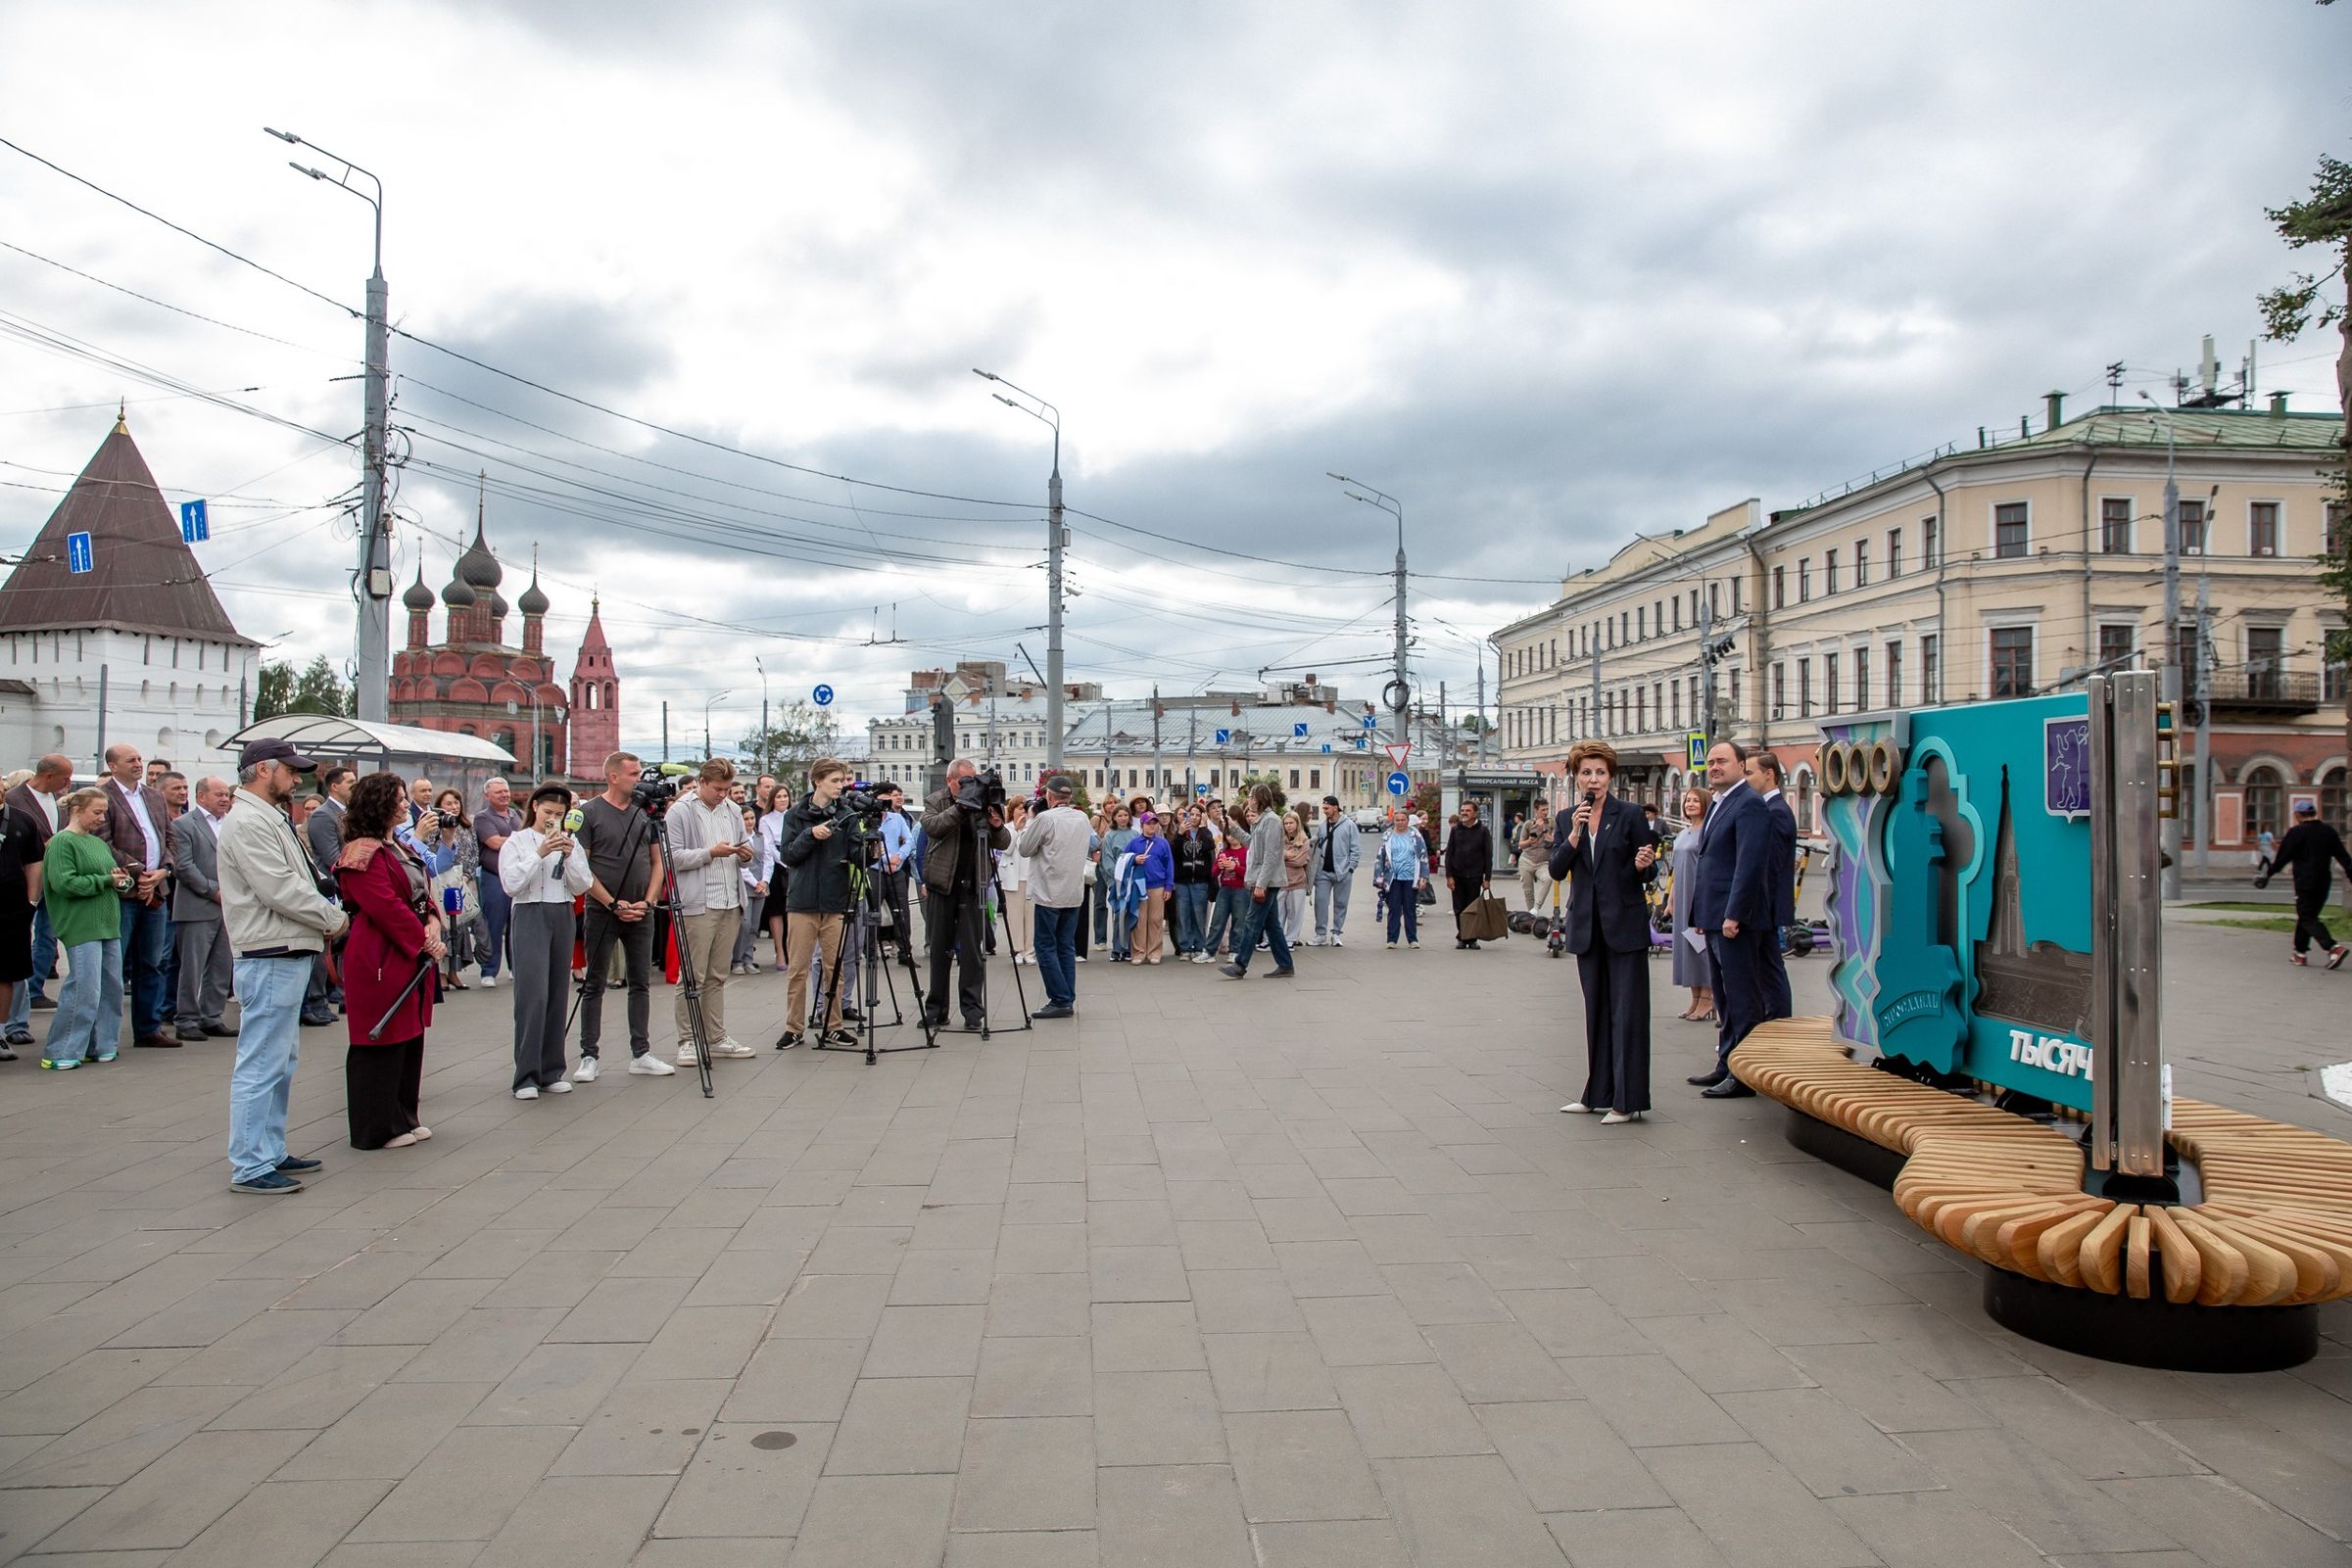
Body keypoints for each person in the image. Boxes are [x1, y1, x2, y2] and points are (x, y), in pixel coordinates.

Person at [216, 738, 347, 1193]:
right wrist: (335, 919)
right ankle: (251, 1163)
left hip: (284, 947)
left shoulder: (266, 817)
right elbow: (280, 889)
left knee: (280, 1059)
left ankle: (268, 1149)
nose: (297, 779)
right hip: (270, 949)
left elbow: (297, 881)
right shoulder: (249, 822)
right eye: (290, 771)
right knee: (262, 1062)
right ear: (262, 770)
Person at [1552, 741, 1662, 1124]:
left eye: (1600, 772)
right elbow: (1555, 868)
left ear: (1610, 777)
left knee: (1627, 1014)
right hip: (1587, 927)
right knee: (1595, 1012)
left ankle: (1627, 1101)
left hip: (1625, 928)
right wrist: (1574, 837)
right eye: (1586, 773)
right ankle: (1596, 1093)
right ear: (1576, 777)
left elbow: (1647, 870)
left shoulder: (1630, 814)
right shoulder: (1568, 818)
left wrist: (1643, 864)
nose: (1593, 779)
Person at [332, 773, 444, 1148]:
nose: (403, 804)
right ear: (377, 803)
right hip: (379, 952)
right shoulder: (360, 851)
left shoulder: (399, 845)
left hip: (409, 948)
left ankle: (403, 1115)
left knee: (408, 1034)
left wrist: (432, 921)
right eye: (397, 798)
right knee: (381, 1035)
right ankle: (376, 1128)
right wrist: (423, 941)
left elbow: (420, 891)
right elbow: (384, 906)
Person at [572, 752, 678, 1077]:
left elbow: (658, 862)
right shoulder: (589, 813)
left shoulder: (644, 814)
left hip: (641, 910)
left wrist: (647, 902)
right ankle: (589, 1055)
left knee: (640, 983)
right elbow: (583, 866)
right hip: (602, 910)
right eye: (632, 773)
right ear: (613, 777)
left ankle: (641, 1052)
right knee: (595, 983)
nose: (638, 779)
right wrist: (612, 903)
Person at [1687, 739, 1773, 1099]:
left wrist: (1733, 914)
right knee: (1723, 997)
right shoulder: (1722, 802)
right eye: (1711, 761)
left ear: (1741, 765)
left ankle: (1744, 1074)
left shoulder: (1749, 804)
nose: (1715, 766)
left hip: (1736, 921)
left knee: (1741, 999)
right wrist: (1702, 916)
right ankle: (1726, 1063)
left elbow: (1748, 865)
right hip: (1715, 917)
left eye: (1722, 761)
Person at [502, 783, 594, 1097]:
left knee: (557, 992)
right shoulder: (517, 841)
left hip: (562, 912)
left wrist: (569, 856)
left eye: (560, 813)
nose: (552, 818)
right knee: (533, 994)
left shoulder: (572, 841)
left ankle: (552, 1069)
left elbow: (583, 884)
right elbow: (512, 883)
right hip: (529, 913)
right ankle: (525, 1074)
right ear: (535, 809)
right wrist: (539, 854)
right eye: (548, 812)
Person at [662, 760, 758, 1062]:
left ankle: (715, 1036)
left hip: (731, 899)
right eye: (718, 789)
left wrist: (745, 854)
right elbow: (672, 856)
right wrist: (710, 853)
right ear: (702, 782)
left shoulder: (731, 810)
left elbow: (743, 850)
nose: (723, 795)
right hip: (698, 902)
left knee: (718, 975)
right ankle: (687, 1040)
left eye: (727, 789)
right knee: (692, 975)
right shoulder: (681, 810)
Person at [41, 787, 131, 1069]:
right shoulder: (61, 843)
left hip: (107, 924)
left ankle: (102, 1044)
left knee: (110, 988)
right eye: (96, 812)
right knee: (84, 988)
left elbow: (111, 878)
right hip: (81, 924)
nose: (101, 818)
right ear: (77, 811)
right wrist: (106, 881)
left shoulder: (98, 844)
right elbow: (64, 883)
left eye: (103, 812)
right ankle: (62, 1050)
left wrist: (122, 881)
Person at [776, 759, 860, 1048]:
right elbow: (788, 855)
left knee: (833, 968)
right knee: (798, 968)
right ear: (818, 781)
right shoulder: (795, 815)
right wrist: (809, 835)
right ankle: (794, 1027)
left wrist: (871, 848)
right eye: (835, 780)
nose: (841, 786)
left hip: (835, 901)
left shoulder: (847, 814)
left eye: (842, 781)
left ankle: (833, 1024)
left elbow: (859, 855)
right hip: (802, 902)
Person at [920, 758, 1010, 1029]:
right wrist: (961, 807)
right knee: (939, 950)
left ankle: (972, 1011)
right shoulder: (937, 800)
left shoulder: (983, 802)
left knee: (972, 952)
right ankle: (937, 1010)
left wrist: (995, 824)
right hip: (942, 885)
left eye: (975, 779)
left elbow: (1003, 842)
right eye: (967, 781)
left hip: (973, 887)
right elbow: (933, 827)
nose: (973, 785)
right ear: (951, 781)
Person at [97, 743, 175, 1051]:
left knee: (153, 963)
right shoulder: (104, 797)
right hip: (125, 893)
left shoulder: (153, 796)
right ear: (113, 766)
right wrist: (141, 872)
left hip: (156, 891)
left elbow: (169, 837)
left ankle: (148, 1028)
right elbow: (103, 843)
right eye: (131, 760)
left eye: (140, 758)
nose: (138, 764)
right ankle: (105, 1034)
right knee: (115, 965)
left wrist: (163, 871)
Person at [6, 754, 72, 1042]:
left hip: (52, 884)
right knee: (14, 956)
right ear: (48, 775)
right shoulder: (15, 799)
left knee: (46, 939)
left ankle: (30, 1000)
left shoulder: (59, 801)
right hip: (16, 890)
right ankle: (13, 1023)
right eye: (65, 778)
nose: (68, 784)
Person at [168, 777, 236, 1044]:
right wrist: (214, 891)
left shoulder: (231, 823)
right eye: (218, 794)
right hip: (198, 905)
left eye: (226, 795)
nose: (224, 799)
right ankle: (186, 1019)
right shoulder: (184, 825)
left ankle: (212, 1016)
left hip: (228, 906)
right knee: (192, 967)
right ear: (201, 796)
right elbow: (184, 867)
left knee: (222, 965)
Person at [1018, 775, 1091, 1016]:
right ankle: (1067, 996)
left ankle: (1059, 999)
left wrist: (1031, 819)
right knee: (1065, 946)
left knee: (1045, 946)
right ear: (1069, 796)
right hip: (1073, 892)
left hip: (1049, 892)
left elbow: (1025, 848)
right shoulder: (1082, 817)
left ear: (1048, 795)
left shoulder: (1045, 818)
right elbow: (1092, 844)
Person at [2261, 799, 2352, 967]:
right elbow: (2343, 856)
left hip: (2305, 882)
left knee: (2307, 917)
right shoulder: (2328, 831)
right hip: (2324, 881)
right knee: (2307, 916)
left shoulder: (2296, 832)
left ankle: (2333, 948)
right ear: (2314, 812)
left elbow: (2283, 857)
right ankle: (2300, 953)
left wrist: (2268, 874)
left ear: (2297, 815)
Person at [1221, 785, 1296, 979]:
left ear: (1260, 799)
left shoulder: (1271, 821)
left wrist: (1261, 885)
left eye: (1252, 797)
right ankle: (1286, 965)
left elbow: (1271, 856)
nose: (1249, 800)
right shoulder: (1263, 821)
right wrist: (1233, 828)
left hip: (1266, 881)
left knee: (1252, 922)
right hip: (1264, 879)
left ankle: (1240, 965)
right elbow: (1252, 844)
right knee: (1272, 925)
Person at [1745, 751, 1799, 1022]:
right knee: (1767, 967)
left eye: (1749, 772)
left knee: (1770, 969)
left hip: (1767, 907)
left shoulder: (1776, 811)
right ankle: (1774, 1020)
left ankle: (1778, 1021)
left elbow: (1772, 866)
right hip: (1765, 907)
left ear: (1769, 774)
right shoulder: (1768, 808)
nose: (1745, 779)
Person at [302, 767, 355, 1026]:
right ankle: (316, 1000)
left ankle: (339, 995)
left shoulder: (345, 813)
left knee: (343, 949)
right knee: (325, 951)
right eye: (350, 782)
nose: (354, 787)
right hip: (332, 889)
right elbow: (333, 857)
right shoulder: (324, 816)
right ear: (334, 786)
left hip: (345, 888)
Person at [415, 788, 482, 990]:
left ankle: (454, 971)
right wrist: (421, 835)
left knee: (458, 929)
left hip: (461, 881)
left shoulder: (466, 826)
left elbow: (472, 853)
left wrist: (466, 874)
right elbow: (431, 865)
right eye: (449, 803)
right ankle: (441, 973)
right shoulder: (431, 826)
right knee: (442, 928)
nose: (454, 807)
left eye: (456, 803)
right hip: (440, 884)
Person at [1667, 786, 1715, 1021]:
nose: (1690, 803)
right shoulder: (1684, 833)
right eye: (1688, 800)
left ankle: (1708, 1000)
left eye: (1696, 800)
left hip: (1699, 896)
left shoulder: (1708, 831)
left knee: (1701, 947)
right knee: (1687, 948)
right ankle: (1695, 999)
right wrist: (1671, 899)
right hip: (1682, 896)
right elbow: (1676, 869)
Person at [473, 778, 521, 988]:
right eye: (498, 792)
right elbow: (493, 842)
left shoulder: (516, 815)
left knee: (516, 924)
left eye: (506, 791)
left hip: (516, 875)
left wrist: (510, 839)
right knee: (494, 923)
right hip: (493, 877)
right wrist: (518, 840)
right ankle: (489, 970)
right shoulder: (483, 818)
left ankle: (515, 967)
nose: (504, 795)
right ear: (488, 796)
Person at [1441, 801, 1495, 949]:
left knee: (1472, 908)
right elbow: (1449, 854)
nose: (1464, 813)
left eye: (1468, 811)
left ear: (1475, 813)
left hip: (1475, 876)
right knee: (1459, 908)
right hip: (1457, 875)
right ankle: (1462, 937)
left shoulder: (1483, 831)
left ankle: (1472, 938)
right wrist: (1449, 876)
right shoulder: (1456, 830)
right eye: (1462, 810)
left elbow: (1488, 855)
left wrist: (1487, 878)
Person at [1375, 807, 1430, 949]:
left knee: (1409, 908)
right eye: (1397, 820)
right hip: (1393, 877)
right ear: (1394, 821)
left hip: (1410, 877)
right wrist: (1379, 877)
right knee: (1394, 908)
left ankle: (1412, 938)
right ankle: (1392, 939)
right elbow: (1380, 857)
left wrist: (1423, 876)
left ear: (1407, 821)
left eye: (1403, 820)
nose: (1400, 822)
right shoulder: (1388, 835)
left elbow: (1423, 856)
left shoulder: (1415, 835)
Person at [1310, 795, 1360, 947]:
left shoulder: (1349, 825)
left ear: (1335, 807)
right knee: (1321, 902)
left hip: (1343, 871)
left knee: (1341, 903)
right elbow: (1315, 844)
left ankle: (1336, 933)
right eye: (1323, 808)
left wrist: (1351, 867)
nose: (1324, 811)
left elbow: (1355, 849)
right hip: (1323, 871)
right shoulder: (1322, 826)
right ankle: (1320, 934)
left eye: (1326, 808)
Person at [757, 784, 794, 971]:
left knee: (793, 911)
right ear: (773, 799)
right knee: (776, 911)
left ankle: (793, 951)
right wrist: (785, 861)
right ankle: (780, 951)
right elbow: (769, 846)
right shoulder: (766, 820)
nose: (782, 799)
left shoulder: (794, 816)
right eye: (778, 796)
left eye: (785, 796)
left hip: (794, 861)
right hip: (777, 865)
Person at [1171, 806, 1216, 959]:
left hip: (1200, 881)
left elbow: (1210, 846)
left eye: (1198, 815)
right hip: (1182, 880)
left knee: (1199, 914)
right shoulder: (1181, 833)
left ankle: (1199, 945)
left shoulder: (1205, 833)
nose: (1194, 818)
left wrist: (1203, 828)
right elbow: (1174, 852)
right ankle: (1185, 947)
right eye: (1191, 815)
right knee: (1183, 915)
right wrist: (1180, 833)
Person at [1201, 824, 1249, 962]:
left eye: (1234, 834)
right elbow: (1214, 872)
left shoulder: (1246, 851)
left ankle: (1235, 951)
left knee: (1239, 921)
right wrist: (1220, 867)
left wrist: (1236, 867)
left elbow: (1250, 874)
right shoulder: (1223, 852)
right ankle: (1209, 951)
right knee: (1217, 920)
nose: (1232, 837)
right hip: (1225, 888)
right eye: (1229, 834)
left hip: (1241, 889)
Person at [1131, 811, 1174, 964]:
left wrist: (1168, 886)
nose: (1152, 826)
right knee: (1139, 919)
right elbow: (1124, 859)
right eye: (1149, 823)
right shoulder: (1135, 843)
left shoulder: (1162, 843)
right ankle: (1138, 952)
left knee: (1156, 919)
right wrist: (1134, 859)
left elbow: (1169, 865)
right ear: (1142, 825)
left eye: (1154, 823)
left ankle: (1154, 951)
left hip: (1157, 885)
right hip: (1139, 885)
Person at [732, 803, 768, 975]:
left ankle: (748, 959)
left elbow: (768, 860)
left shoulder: (760, 837)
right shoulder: (739, 839)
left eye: (752, 818)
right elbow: (742, 866)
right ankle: (737, 960)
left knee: (754, 926)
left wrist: (765, 881)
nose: (749, 822)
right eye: (746, 819)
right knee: (744, 925)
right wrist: (756, 883)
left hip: (761, 886)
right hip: (747, 886)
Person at [1099, 805, 1137, 961]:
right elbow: (1107, 859)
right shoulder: (1109, 836)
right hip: (1117, 880)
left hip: (1132, 880)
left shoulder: (1135, 834)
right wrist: (1119, 876)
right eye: (1120, 815)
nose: (1123, 818)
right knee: (1118, 913)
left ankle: (1129, 947)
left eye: (1125, 815)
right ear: (1114, 817)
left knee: (1131, 912)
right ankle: (1117, 948)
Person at [999, 799, 1034, 964]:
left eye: (1025, 809)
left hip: (1030, 877)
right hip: (1013, 878)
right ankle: (1017, 950)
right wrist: (1016, 830)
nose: (1022, 812)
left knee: (1030, 916)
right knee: (1015, 916)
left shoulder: (1033, 826)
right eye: (1019, 809)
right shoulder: (1007, 829)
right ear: (1012, 811)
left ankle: (1029, 951)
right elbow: (1006, 849)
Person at [1515, 801, 1556, 916]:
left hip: (1543, 862)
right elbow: (1521, 844)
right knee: (1528, 891)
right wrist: (1529, 840)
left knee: (1548, 879)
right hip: (1527, 861)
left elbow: (1554, 841)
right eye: (1543, 810)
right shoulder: (1528, 824)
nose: (1546, 812)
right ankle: (1531, 916)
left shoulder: (1552, 823)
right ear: (1536, 810)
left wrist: (1543, 829)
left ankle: (1536, 907)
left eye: (1547, 809)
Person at [1279, 808, 1313, 945]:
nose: (1288, 826)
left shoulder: (1304, 841)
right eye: (1286, 823)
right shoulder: (1280, 840)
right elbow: (1275, 858)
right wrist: (1286, 856)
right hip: (1281, 882)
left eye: (1291, 823)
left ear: (1297, 823)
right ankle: (1278, 939)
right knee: (1279, 913)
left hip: (1298, 882)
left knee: (1295, 913)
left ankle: (1291, 939)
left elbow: (1300, 861)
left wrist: (1284, 858)